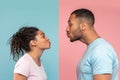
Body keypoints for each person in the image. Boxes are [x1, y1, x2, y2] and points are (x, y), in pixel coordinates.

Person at [66, 8, 119, 80]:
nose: (67, 29)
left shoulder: (101, 50)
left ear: (83, 26)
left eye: (70, 24)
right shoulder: (93, 48)